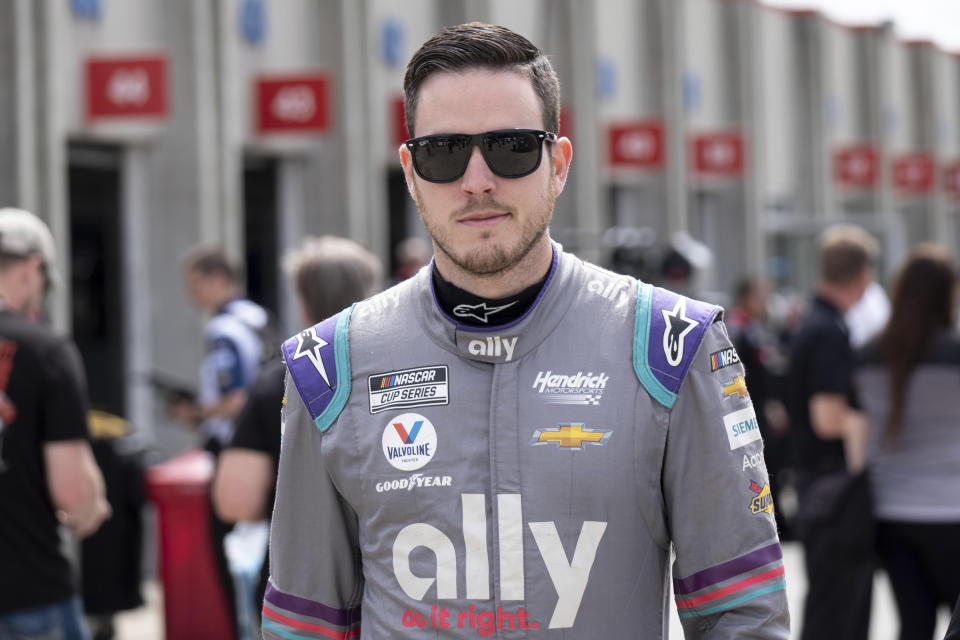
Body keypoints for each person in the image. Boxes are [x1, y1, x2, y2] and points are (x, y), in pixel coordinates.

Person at [263, 22, 789, 639]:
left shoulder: (672, 346)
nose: (478, 180)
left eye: (512, 147)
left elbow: (742, 615)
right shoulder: (326, 366)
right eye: (444, 152)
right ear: (410, 172)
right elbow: (304, 626)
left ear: (558, 163)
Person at [212, 235, 382, 627]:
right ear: (373, 292)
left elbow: (234, 501)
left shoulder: (282, 380)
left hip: (303, 602)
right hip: (397, 595)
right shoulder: (404, 375)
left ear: (303, 303)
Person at [0, 207, 111, 639]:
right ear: (33, 268)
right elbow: (73, 491)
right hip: (25, 590)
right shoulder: (45, 351)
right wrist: (91, 507)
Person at [852, 244, 960, 640]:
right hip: (952, 508)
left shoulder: (866, 357)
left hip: (891, 510)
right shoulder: (954, 355)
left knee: (914, 625)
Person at [174, 246, 275, 638]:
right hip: (274, 449)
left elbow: (234, 399)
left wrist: (195, 414)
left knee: (232, 560)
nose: (190, 295)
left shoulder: (223, 329)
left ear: (218, 279)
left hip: (236, 455)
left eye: (195, 284)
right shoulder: (261, 316)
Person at [786, 223, 878, 640]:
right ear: (864, 277)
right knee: (838, 607)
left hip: (817, 484)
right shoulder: (829, 332)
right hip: (833, 488)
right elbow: (828, 416)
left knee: (830, 601)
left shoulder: (813, 322)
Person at [727, 276, 791, 537]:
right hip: (748, 409)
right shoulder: (737, 326)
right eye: (760, 295)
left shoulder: (755, 326)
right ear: (746, 297)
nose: (765, 301)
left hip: (762, 406)